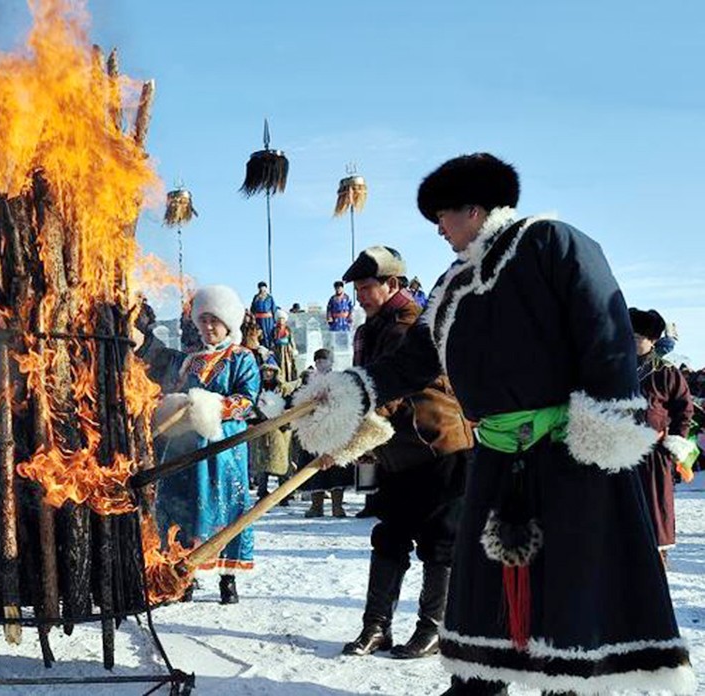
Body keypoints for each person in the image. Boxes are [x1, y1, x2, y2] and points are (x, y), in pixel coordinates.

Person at [291, 154, 694, 695]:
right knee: (482, 586)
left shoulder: (553, 243)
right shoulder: (454, 281)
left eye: (442, 216)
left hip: (566, 451)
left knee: (567, 585)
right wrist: (347, 394)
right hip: (496, 455)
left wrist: (605, 425)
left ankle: (566, 686)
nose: (437, 228)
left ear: (474, 208)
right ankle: (478, 682)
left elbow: (604, 328)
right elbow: (412, 361)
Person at [338, 245, 474, 660]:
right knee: (389, 537)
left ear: (392, 284)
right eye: (357, 288)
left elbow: (393, 385)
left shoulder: (410, 323)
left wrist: (347, 433)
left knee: (440, 542)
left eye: (366, 287)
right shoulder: (369, 328)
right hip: (397, 453)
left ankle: (433, 629)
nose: (359, 296)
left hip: (438, 446)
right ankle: (376, 627)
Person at [136, 285, 261, 604]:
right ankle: (185, 573)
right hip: (185, 448)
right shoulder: (189, 360)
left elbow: (246, 401)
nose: (208, 327)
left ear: (228, 323)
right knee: (182, 506)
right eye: (203, 320)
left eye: (214, 321)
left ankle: (227, 577)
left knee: (224, 507)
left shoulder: (241, 358)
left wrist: (210, 406)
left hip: (223, 447)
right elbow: (171, 386)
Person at [631, 307, 696, 564]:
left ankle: (656, 563)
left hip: (653, 455)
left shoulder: (666, 373)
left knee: (655, 513)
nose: (630, 340)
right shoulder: (615, 368)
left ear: (653, 340)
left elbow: (684, 410)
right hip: (618, 453)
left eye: (637, 337)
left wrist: (675, 443)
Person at [298, 349, 354, 518]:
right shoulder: (309, 380)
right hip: (314, 430)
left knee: (337, 469)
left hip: (335, 429)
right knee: (315, 468)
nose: (321, 363)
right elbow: (299, 400)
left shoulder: (340, 380)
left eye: (324, 360)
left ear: (331, 362)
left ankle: (337, 507)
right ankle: (317, 506)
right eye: (318, 360)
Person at [250, 356, 297, 504]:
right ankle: (262, 491)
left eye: (270, 371)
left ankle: (283, 493)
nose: (267, 374)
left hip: (280, 430)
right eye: (265, 371)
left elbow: (290, 404)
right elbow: (251, 406)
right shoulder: (256, 388)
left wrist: (285, 418)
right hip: (262, 430)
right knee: (262, 463)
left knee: (281, 462)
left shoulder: (283, 389)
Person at [272, 309, 298, 383]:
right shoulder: (275, 329)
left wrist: (294, 348)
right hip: (278, 349)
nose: (281, 321)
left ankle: (289, 379)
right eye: (279, 319)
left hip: (287, 349)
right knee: (280, 364)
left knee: (288, 364)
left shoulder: (288, 329)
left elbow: (291, 339)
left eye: (282, 319)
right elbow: (273, 339)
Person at [250, 281, 277, 348]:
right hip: (259, 320)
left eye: (264, 288)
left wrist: (275, 320)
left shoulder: (269, 298)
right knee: (260, 334)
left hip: (268, 320)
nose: (262, 290)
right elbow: (252, 309)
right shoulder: (256, 297)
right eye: (261, 288)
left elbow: (274, 309)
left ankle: (270, 348)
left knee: (269, 334)